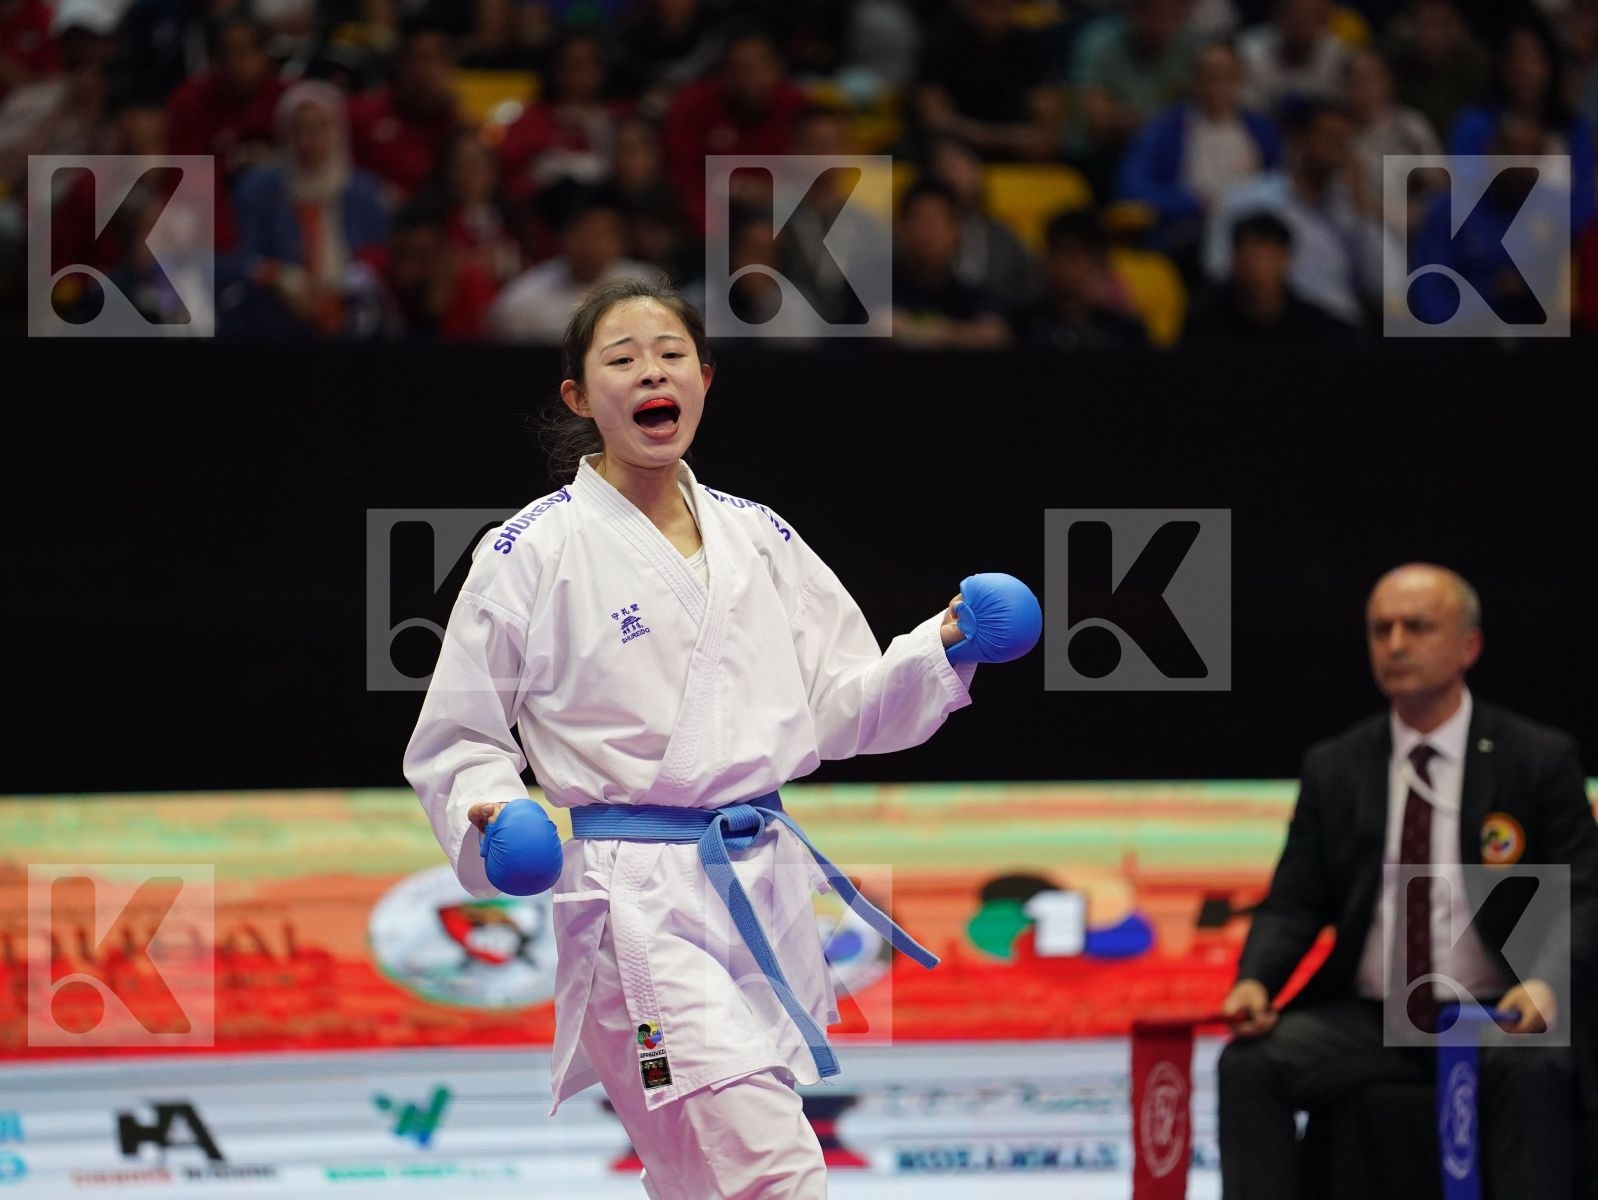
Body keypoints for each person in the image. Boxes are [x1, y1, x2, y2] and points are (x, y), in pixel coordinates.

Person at [403, 277, 1039, 1198]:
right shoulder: (529, 551)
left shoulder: (761, 537)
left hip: (758, 879)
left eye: (670, 356)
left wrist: (941, 645)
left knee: (699, 1180)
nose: (650, 372)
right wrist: (495, 812)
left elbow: (839, 703)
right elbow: (456, 735)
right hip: (636, 900)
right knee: (775, 1174)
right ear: (580, 398)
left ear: (703, 380)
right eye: (621, 359)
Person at [1217, 563, 1598, 1200]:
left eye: (1416, 627)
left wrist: (1547, 981)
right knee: (1251, 1065)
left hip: (1496, 1008)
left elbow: (1583, 893)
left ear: (1468, 646)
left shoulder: (1534, 758)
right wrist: (1256, 980)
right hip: (1370, 1015)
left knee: (1536, 1068)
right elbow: (1294, 901)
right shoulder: (1337, 765)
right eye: (1380, 629)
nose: (1395, 643)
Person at [1184, 210, 1359, 342]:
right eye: (1243, 249)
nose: (1252, 259)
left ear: (1285, 257)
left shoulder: (1313, 326)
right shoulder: (1203, 320)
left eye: (1263, 250)